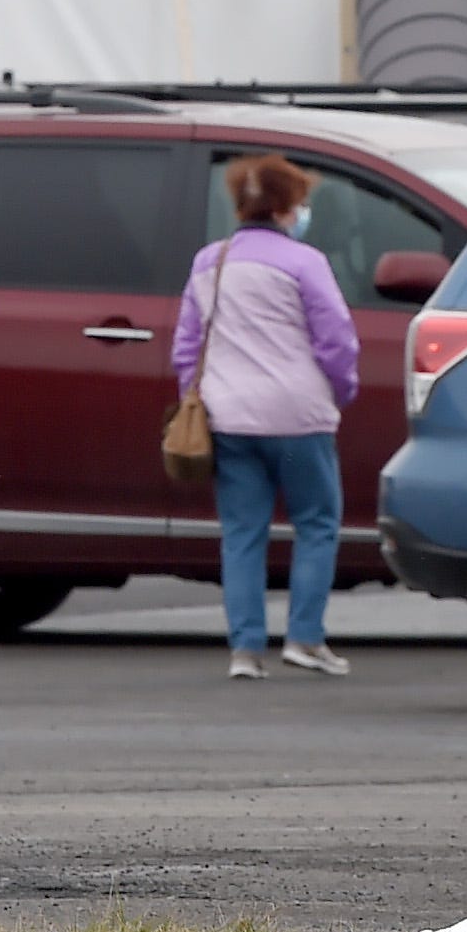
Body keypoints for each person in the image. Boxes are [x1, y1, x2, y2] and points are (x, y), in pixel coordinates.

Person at [174, 153, 358, 679]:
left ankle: (245, 650)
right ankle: (305, 637)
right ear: (285, 206)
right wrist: (342, 391)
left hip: (229, 419)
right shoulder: (306, 263)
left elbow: (187, 346)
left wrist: (197, 396)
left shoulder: (211, 261)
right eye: (301, 202)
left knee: (242, 534)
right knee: (318, 525)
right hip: (300, 417)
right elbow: (336, 340)